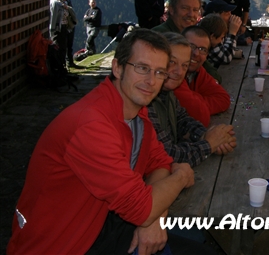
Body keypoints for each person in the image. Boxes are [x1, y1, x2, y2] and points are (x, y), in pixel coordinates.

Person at [8, 29, 195, 255]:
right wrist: (181, 176)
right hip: (62, 245)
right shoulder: (91, 125)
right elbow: (143, 208)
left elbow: (160, 164)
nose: (151, 81)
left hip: (100, 228)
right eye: (142, 68)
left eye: (159, 72)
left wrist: (154, 218)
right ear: (117, 68)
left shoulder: (137, 115)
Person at [147, 32, 236, 166]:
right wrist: (209, 144)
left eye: (184, 65)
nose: (179, 71)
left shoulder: (167, 92)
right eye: (172, 62)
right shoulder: (146, 99)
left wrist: (207, 135)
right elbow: (165, 154)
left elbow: (183, 120)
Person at [175, 26, 231, 126]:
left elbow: (224, 99)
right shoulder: (174, 75)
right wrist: (198, 102)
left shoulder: (197, 71)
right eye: (191, 46)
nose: (196, 53)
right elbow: (200, 116)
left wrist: (196, 100)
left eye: (202, 49)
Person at [60, 0, 78, 67]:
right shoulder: (59, 2)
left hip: (70, 26)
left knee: (69, 46)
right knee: (63, 46)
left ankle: (70, 62)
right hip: (63, 26)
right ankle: (64, 63)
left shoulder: (68, 1)